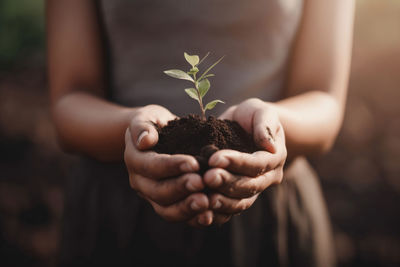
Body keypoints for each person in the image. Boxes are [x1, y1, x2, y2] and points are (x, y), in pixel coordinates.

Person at [46, 0, 354, 266]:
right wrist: (132, 128)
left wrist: (270, 126)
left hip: (268, 211)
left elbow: (323, 98)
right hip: (117, 210)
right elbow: (70, 99)